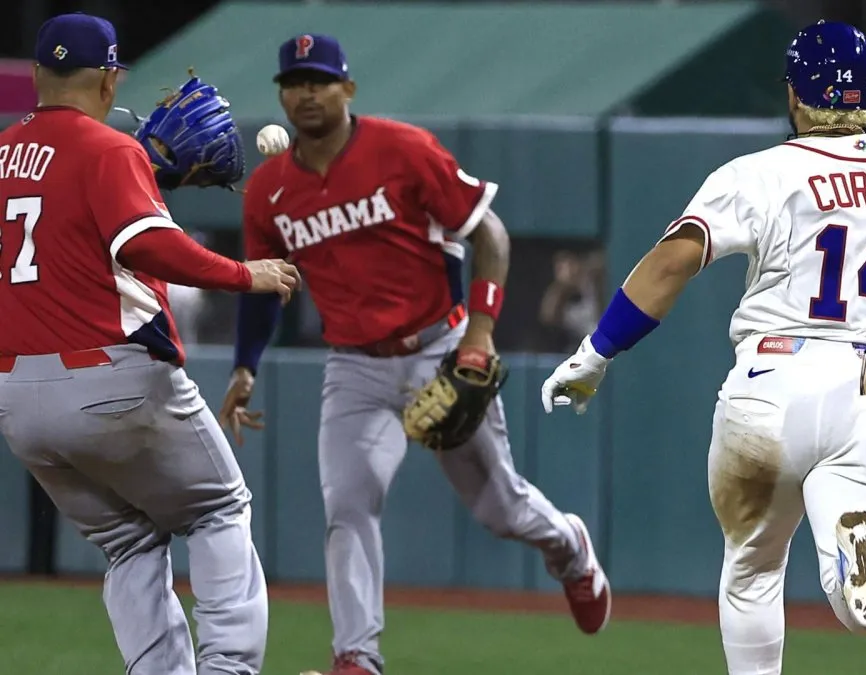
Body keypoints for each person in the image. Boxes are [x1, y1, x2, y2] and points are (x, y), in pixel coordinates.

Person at [540, 20, 866, 675]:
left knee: (752, 567)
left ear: (796, 94)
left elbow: (672, 262)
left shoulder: (765, 172)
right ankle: (851, 559)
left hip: (771, 382)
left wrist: (596, 352)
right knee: (859, 593)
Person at [219, 34, 611, 675]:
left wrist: (480, 334)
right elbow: (267, 286)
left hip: (440, 346)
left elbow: (489, 232)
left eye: (320, 80)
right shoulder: (268, 192)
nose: (307, 92)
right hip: (354, 368)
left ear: (347, 89)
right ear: (281, 95)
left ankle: (569, 548)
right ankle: (357, 656)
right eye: (294, 82)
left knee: (501, 509)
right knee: (347, 504)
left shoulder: (401, 149)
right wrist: (244, 365)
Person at [0, 12, 300, 675]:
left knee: (128, 539)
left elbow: (60, 227)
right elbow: (145, 245)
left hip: (17, 397)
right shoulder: (111, 150)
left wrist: (147, 177)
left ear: (40, 76)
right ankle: (226, 668)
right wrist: (244, 274)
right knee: (220, 508)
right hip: (113, 379)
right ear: (109, 80)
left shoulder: (2, 152)